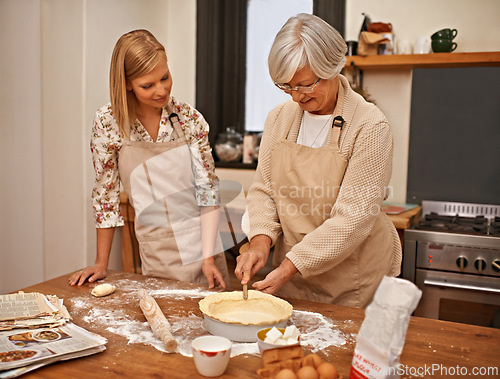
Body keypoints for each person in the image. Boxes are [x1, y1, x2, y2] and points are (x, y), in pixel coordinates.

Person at [235, 14, 402, 308]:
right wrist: (260, 243)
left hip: (352, 279)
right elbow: (263, 191)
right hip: (292, 275)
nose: (296, 96)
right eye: (286, 86)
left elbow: (352, 219)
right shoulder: (280, 118)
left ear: (334, 68)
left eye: (305, 84)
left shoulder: (370, 126)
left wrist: (289, 266)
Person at [69, 29, 229, 289]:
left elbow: (208, 193)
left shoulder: (189, 119)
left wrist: (208, 260)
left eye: (165, 77)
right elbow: (106, 197)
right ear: (127, 83)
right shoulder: (109, 123)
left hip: (204, 250)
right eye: (148, 85)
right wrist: (101, 263)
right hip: (155, 254)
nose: (162, 90)